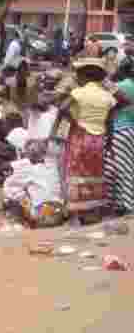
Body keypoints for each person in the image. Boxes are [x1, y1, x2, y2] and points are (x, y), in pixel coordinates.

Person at [53, 55, 119, 223]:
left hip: (79, 135)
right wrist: (110, 143)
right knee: (94, 173)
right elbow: (109, 123)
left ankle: (76, 213)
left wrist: (69, 121)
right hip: (99, 139)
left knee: (75, 172)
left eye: (79, 74)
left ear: (85, 75)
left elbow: (62, 108)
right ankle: (92, 212)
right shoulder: (107, 97)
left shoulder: (78, 93)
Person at [105, 52, 134, 215]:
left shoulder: (122, 87)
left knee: (116, 170)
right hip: (130, 130)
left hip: (119, 130)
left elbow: (108, 107)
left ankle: (125, 205)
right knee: (127, 167)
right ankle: (122, 204)